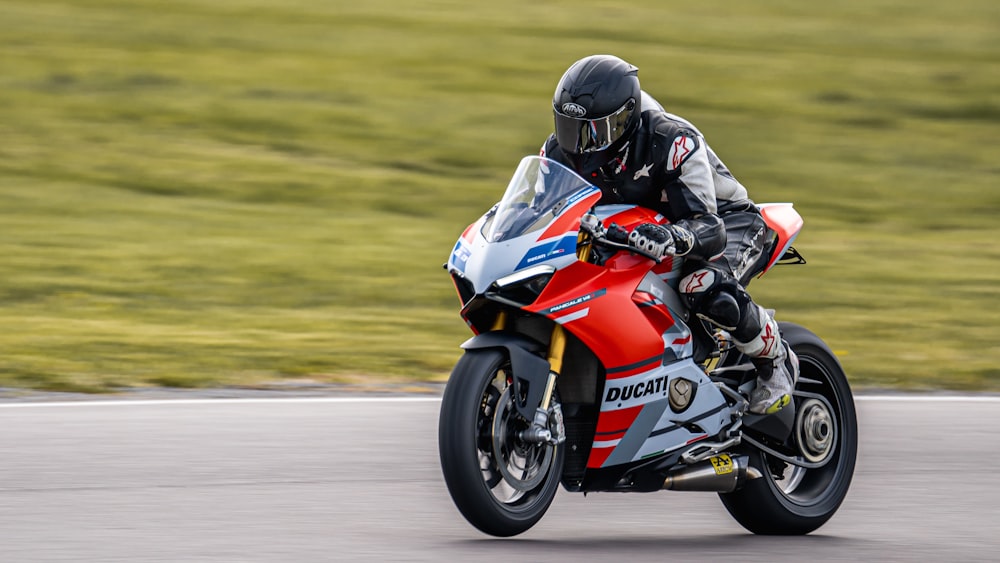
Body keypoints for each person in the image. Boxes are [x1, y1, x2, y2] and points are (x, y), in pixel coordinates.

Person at [540, 54, 798, 415]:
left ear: (625, 120)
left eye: (594, 131)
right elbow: (542, 216)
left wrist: (673, 238)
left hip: (724, 221)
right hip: (637, 232)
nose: (580, 144)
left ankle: (777, 363)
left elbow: (710, 227)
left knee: (702, 285)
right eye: (570, 127)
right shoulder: (558, 153)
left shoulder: (670, 140)